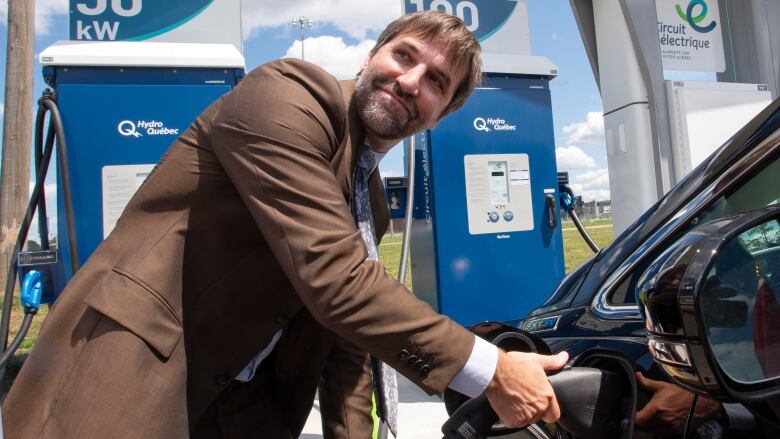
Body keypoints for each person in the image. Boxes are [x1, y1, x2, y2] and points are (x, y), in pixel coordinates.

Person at [2, 11, 568, 438]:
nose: (410, 80)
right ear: (372, 56)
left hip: (239, 412)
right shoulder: (291, 95)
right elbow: (334, 279)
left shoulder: (369, 201)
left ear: (441, 114)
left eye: (437, 82)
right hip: (130, 374)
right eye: (404, 56)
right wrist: (490, 368)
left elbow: (347, 352)